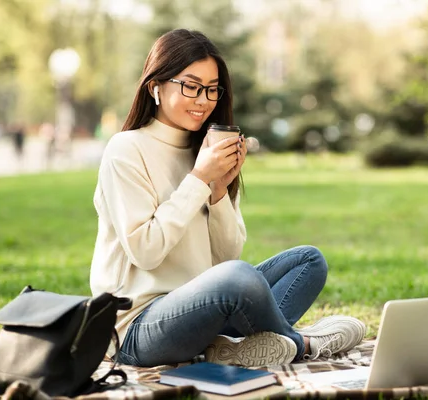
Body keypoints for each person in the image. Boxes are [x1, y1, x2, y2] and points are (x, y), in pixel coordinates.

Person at [89, 29, 365, 368]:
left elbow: (226, 257)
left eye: (212, 89)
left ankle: (231, 348)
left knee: (308, 260)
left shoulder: (206, 150)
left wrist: (218, 192)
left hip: (204, 312)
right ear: (155, 87)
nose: (203, 99)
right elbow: (145, 252)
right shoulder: (126, 149)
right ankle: (303, 343)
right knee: (239, 278)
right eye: (190, 86)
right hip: (136, 328)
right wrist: (199, 180)